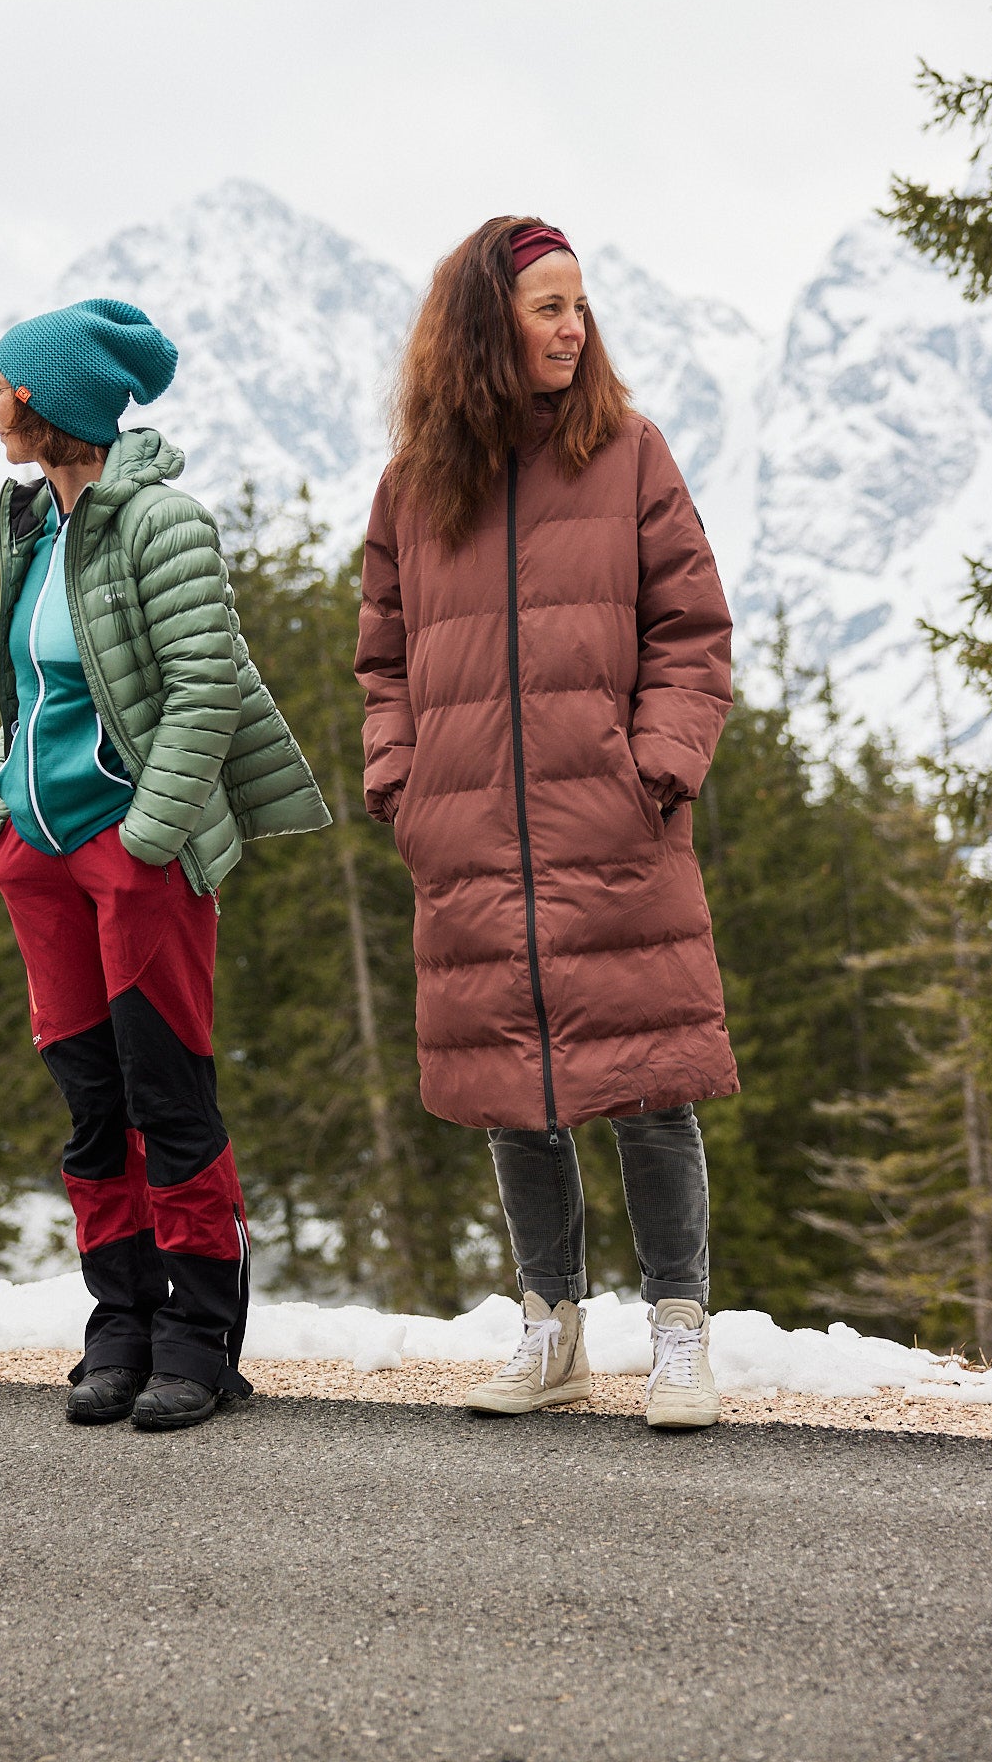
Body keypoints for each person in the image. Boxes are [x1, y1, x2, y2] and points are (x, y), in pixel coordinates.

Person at [356, 219, 737, 1429]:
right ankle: (550, 1327)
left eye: (580, 305)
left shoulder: (629, 453)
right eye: (548, 307)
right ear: (485, 327)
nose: (575, 327)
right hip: (467, 833)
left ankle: (678, 1332)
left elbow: (691, 631)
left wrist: (657, 769)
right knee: (512, 1086)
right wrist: (404, 787)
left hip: (611, 819)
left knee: (648, 1083)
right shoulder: (416, 484)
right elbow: (385, 658)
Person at [0, 296, 331, 1431]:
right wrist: (3, 811)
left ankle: (198, 1340)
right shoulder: (34, 524)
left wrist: (150, 832)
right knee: (92, 1107)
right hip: (42, 858)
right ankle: (119, 1326)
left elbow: (204, 688)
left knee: (166, 1095)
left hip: (136, 853)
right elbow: (26, 695)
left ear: (51, 402)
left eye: (3, 385)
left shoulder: (161, 521)